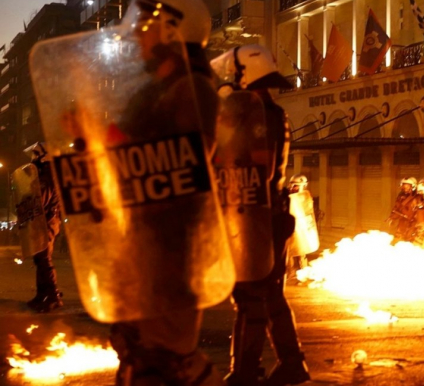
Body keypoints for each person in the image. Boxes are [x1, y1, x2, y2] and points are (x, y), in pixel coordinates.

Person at [103, 0, 228, 384]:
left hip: (171, 249)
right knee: (140, 354)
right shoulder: (154, 92)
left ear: (175, 30)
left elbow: (184, 167)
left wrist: (122, 151)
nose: (137, 31)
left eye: (148, 23)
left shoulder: (193, 89)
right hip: (144, 245)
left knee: (162, 364)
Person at [215, 44, 310, 386]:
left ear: (245, 75)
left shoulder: (257, 115)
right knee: (270, 295)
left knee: (250, 296)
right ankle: (291, 363)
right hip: (269, 214)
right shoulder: (269, 111)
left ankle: (244, 372)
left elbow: (254, 170)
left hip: (258, 217)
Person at [22, 143, 63, 313]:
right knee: (40, 258)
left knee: (44, 258)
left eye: (36, 154)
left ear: (43, 156)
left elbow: (42, 198)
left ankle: (52, 296)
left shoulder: (47, 173)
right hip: (44, 220)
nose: (33, 157)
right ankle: (42, 294)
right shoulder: (44, 172)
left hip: (48, 220)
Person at [286, 174, 309, 279]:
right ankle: (290, 272)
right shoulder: (288, 196)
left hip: (301, 229)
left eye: (296, 185)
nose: (293, 187)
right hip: (290, 228)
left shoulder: (305, 198)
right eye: (292, 185)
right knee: (289, 252)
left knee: (301, 252)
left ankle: (303, 273)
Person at [388, 177, 418, 244]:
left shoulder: (418, 197)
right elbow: (397, 207)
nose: (405, 188)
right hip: (403, 221)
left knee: (411, 240)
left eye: (407, 186)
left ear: (413, 186)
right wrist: (392, 217)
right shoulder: (401, 195)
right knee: (398, 238)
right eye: (404, 186)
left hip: (414, 223)